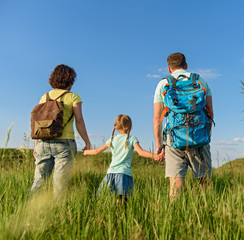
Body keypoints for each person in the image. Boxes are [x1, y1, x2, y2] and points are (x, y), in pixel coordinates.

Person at [153, 52, 214, 200]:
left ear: (169, 68)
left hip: (174, 139)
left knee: (176, 185)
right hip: (199, 135)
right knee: (204, 183)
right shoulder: (201, 81)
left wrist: (159, 146)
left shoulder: (163, 84)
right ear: (186, 65)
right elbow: (210, 113)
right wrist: (205, 137)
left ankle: (174, 218)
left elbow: (157, 118)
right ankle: (209, 214)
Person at [30, 64, 91, 197]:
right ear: (70, 81)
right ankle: (58, 212)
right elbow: (79, 120)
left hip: (43, 143)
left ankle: (29, 209)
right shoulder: (73, 97)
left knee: (39, 181)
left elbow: (39, 122)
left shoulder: (44, 97)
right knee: (60, 184)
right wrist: (87, 142)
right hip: (64, 143)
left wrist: (36, 145)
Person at [83, 114, 162, 203]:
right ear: (129, 126)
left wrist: (86, 152)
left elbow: (96, 151)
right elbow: (141, 152)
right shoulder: (132, 139)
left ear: (116, 126)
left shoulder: (112, 139)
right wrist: (156, 156)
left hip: (111, 174)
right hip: (124, 174)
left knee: (103, 199)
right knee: (122, 201)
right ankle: (120, 216)